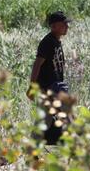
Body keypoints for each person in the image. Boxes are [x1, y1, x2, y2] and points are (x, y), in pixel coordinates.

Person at [27, 11, 71, 145]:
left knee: (45, 120)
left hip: (54, 88)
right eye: (64, 24)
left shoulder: (56, 42)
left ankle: (31, 151)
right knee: (66, 117)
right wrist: (32, 86)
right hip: (48, 88)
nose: (67, 27)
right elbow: (37, 64)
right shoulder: (47, 42)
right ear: (54, 26)